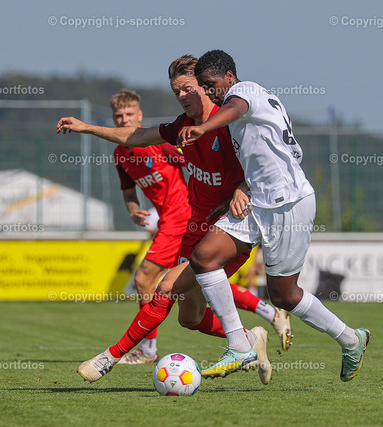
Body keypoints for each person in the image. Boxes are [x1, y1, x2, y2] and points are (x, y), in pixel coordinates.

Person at [56, 55, 292, 385]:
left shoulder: (230, 124)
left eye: (187, 89)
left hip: (229, 230)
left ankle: (110, 356)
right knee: (190, 318)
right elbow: (136, 136)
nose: (181, 96)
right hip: (193, 229)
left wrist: (242, 188)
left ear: (205, 87)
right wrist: (87, 128)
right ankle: (251, 339)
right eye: (175, 91)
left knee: (164, 285)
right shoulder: (181, 127)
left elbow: (266, 166)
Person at [177, 50, 371, 382]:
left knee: (284, 295)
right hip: (259, 202)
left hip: (288, 205)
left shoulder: (245, 92)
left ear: (229, 76)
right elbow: (277, 154)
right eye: (204, 87)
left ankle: (351, 339)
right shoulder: (248, 106)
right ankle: (239, 345)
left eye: (211, 84)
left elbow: (237, 107)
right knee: (203, 258)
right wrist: (242, 189)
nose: (209, 92)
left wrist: (203, 128)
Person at [109, 89, 191, 364]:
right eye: (119, 116)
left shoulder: (159, 142)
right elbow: (128, 192)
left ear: (139, 115)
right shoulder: (120, 154)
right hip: (167, 220)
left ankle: (148, 350)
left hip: (181, 218)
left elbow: (193, 164)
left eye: (129, 114)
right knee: (200, 287)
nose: (124, 119)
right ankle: (265, 315)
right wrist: (133, 210)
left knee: (144, 278)